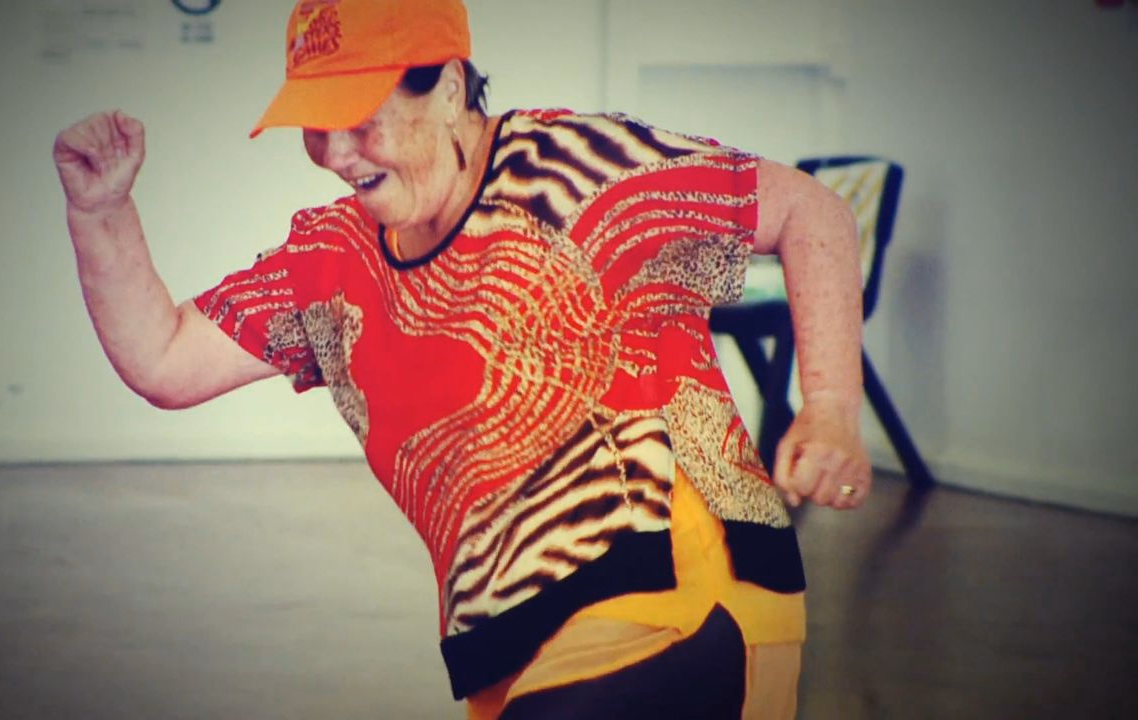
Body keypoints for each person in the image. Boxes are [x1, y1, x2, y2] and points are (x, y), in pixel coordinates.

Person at [53, 0, 872, 716]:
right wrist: (100, 210)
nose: (336, 152)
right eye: (315, 126)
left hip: (677, 588)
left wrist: (831, 407)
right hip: (512, 639)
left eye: (360, 117)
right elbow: (165, 359)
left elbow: (812, 212)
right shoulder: (335, 260)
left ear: (448, 88)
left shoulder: (577, 169)